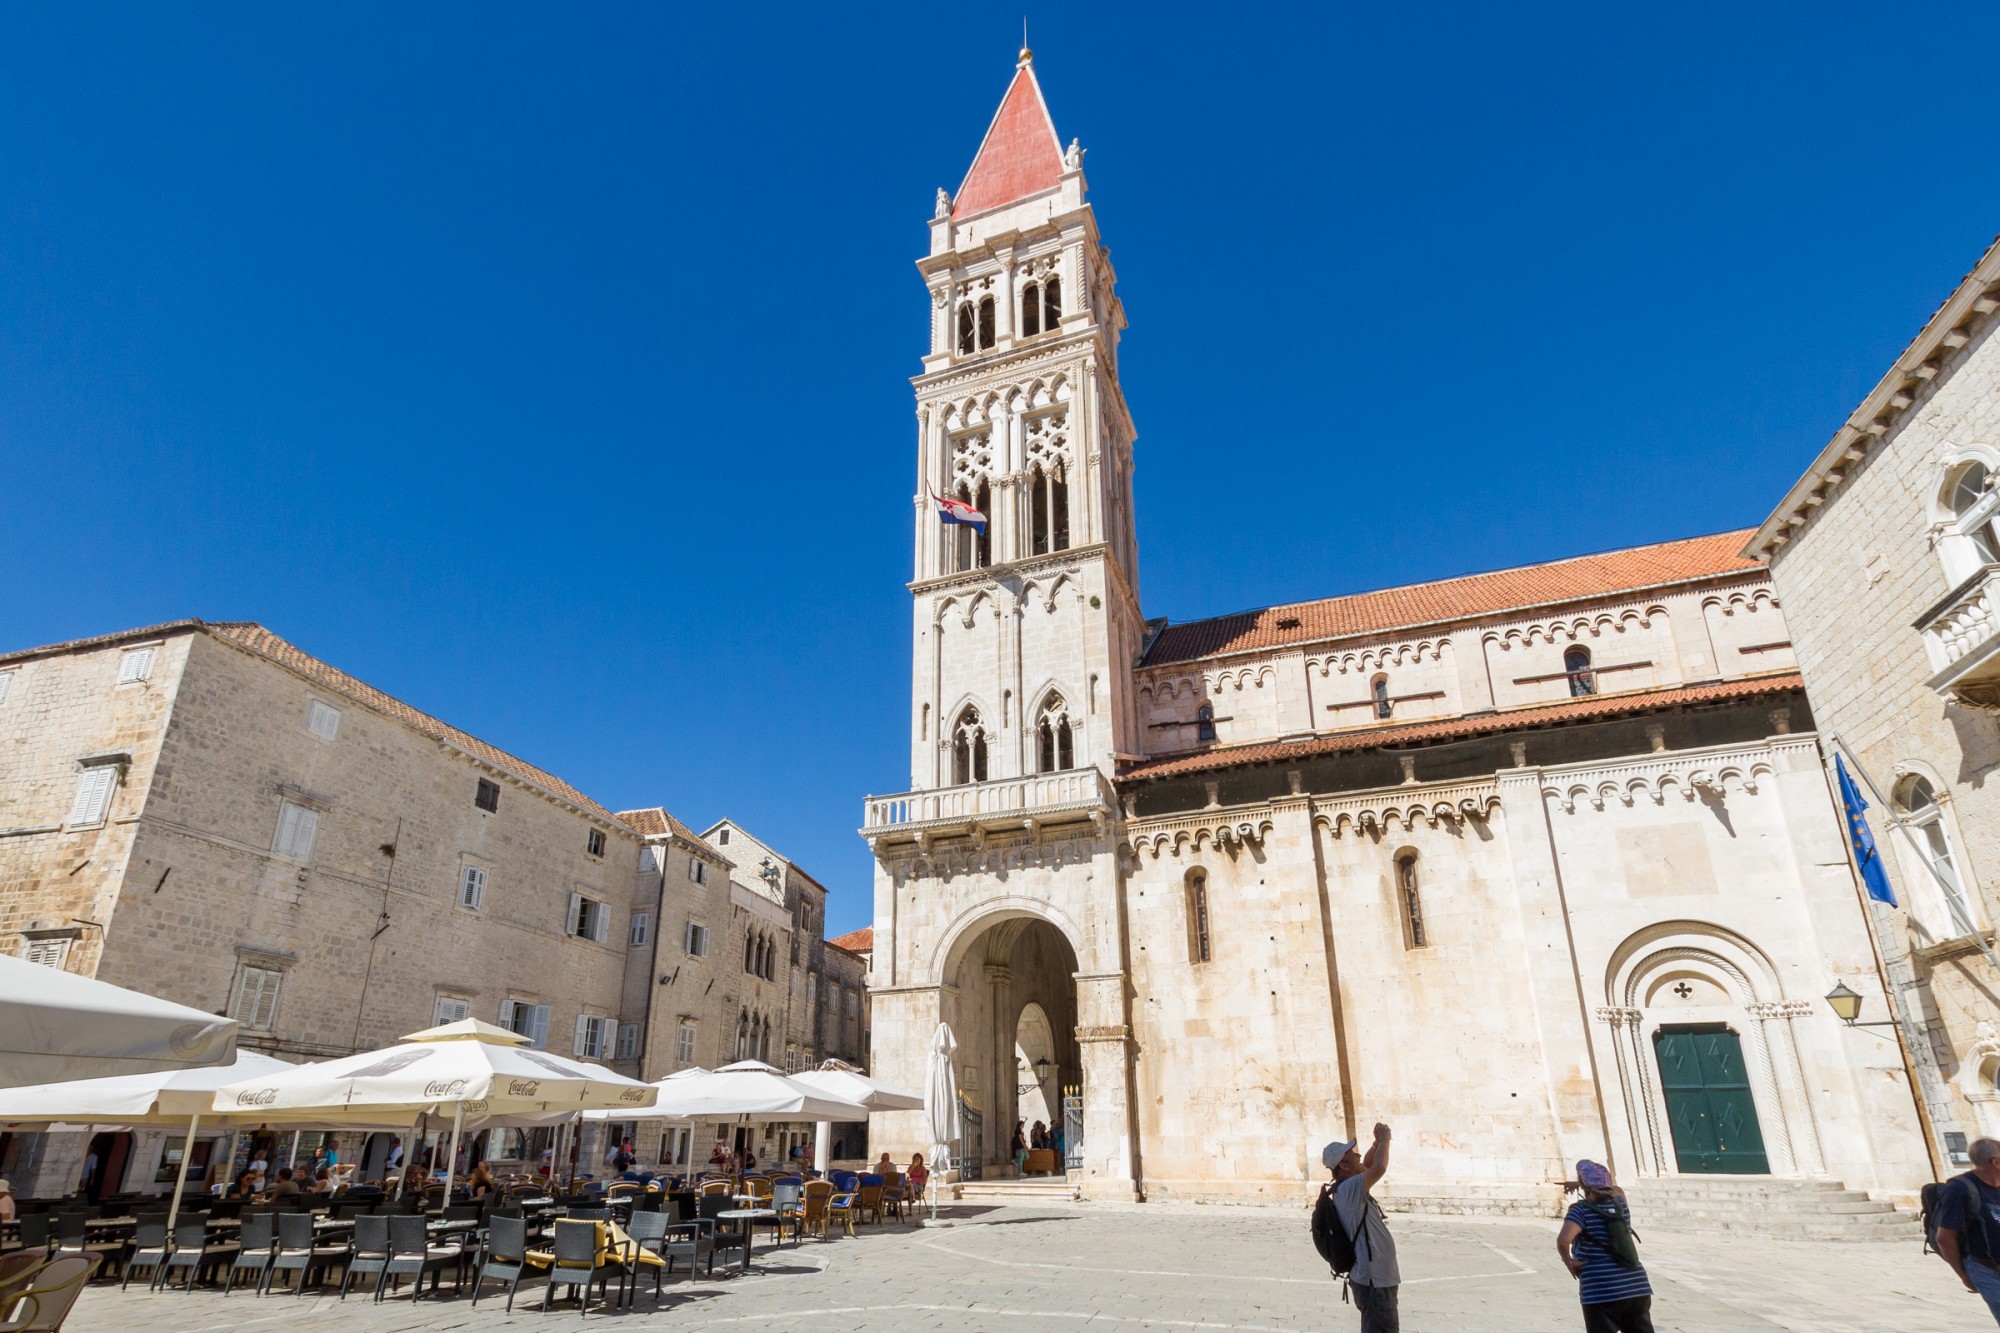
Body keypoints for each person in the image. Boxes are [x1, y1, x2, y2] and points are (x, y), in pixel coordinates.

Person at [1557, 1160, 1653, 1332]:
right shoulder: (1620, 1204)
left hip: (1602, 1289)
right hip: (1637, 1286)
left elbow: (1563, 1241)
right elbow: (1616, 1189)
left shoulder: (1580, 1211)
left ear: (1584, 1184)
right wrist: (1590, 1184)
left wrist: (1569, 1262)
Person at [1329, 1123, 1398, 1333]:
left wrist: (1377, 1143)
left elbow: (1369, 1164)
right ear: (1344, 1166)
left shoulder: (1350, 1186)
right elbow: (1378, 1168)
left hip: (1376, 1279)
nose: (1358, 1156)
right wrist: (1386, 1140)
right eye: (1352, 1155)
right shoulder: (1350, 1188)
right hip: (1373, 1280)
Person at [1935, 1136, 2000, 1321]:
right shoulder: (1960, 1189)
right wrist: (1964, 1275)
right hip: (1987, 1270)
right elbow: (1945, 1238)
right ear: (1996, 1162)